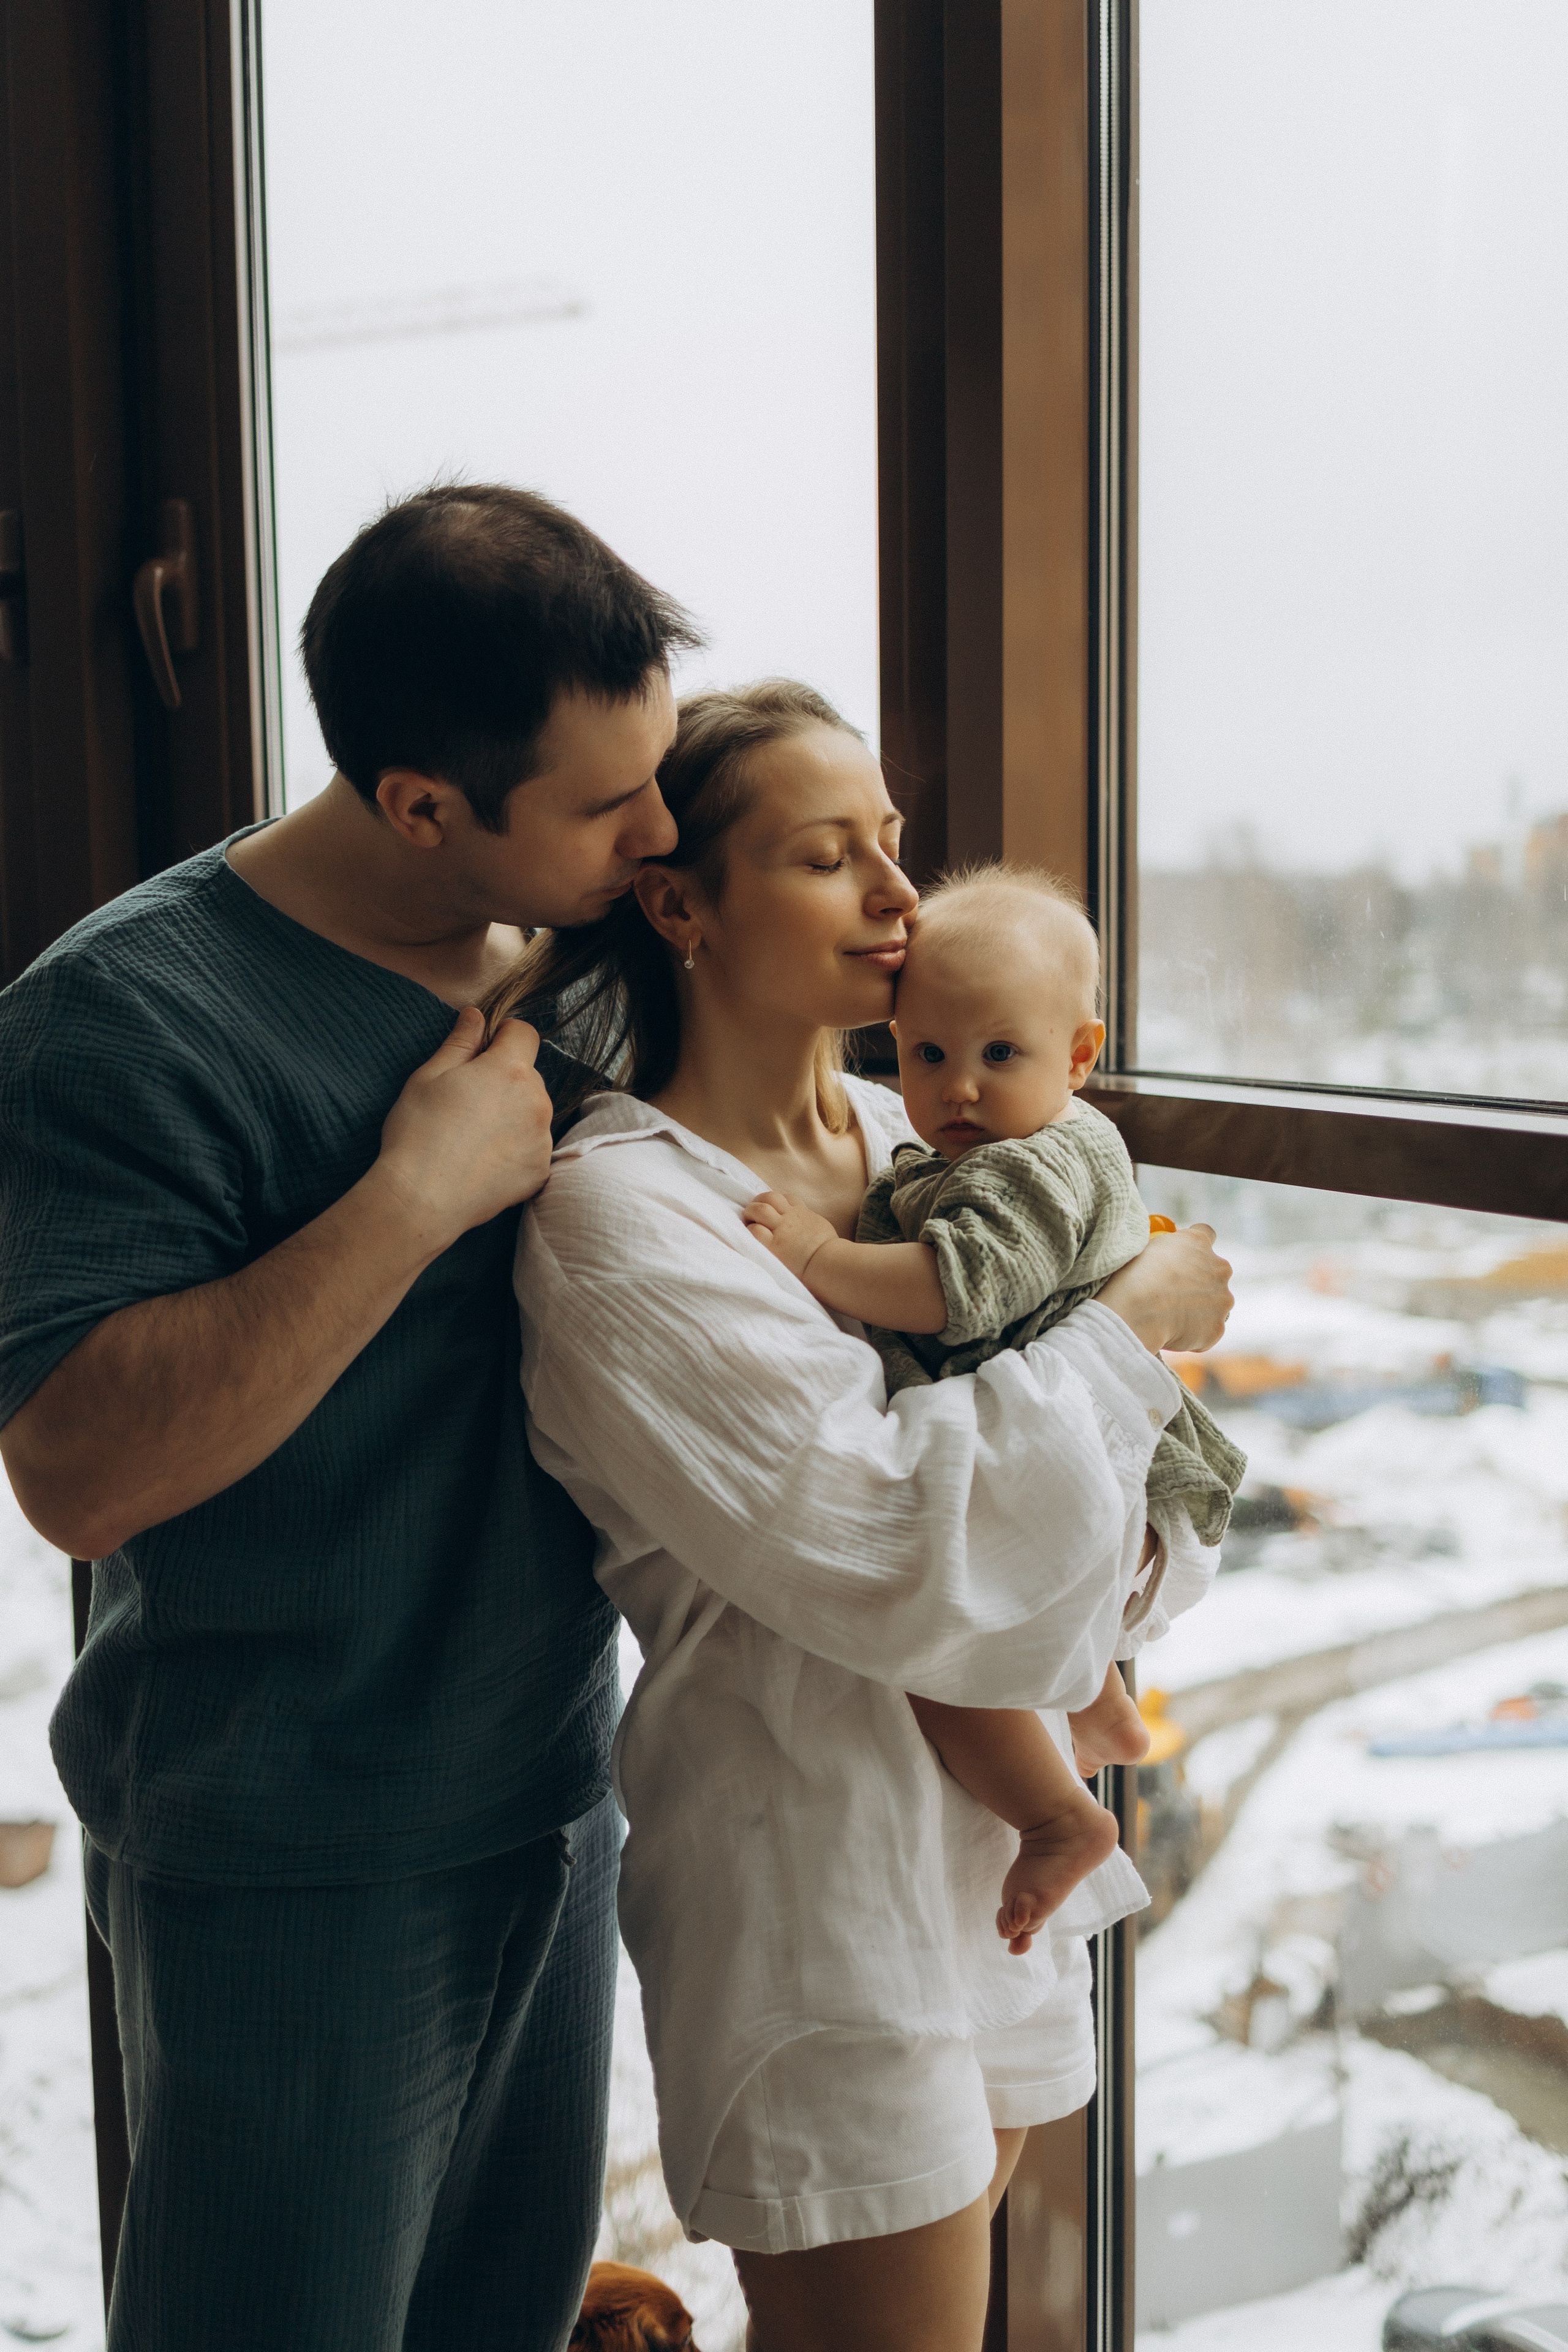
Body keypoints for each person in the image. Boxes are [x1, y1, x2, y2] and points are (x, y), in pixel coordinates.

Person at [0, 483, 700, 2352]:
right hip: (294, 1851)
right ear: (421, 806)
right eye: (609, 804)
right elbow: (79, 1471)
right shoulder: (119, 1021)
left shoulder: (581, 953)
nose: (660, 831)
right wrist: (410, 1197)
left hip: (554, 1797)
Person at [496, 679, 1234, 2352]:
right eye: (831, 857)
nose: (903, 898)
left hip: (990, 1869)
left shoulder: (930, 1142)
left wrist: (1087, 1525)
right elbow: (913, 1550)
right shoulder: (623, 1221)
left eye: (892, 844)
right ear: (678, 906)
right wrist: (1131, 1331)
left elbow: (1121, 1555)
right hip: (813, 1894)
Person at [742, 859, 1245, 1956]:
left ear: (1079, 1055)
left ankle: (1060, 1818)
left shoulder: (1033, 1168)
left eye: (999, 1055)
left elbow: (954, 1286)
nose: (959, 1087)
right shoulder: (989, 1146)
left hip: (1104, 1467)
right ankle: (1097, 1705)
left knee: (940, 1664)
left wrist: (820, 1256)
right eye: (928, 1054)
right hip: (1087, 1458)